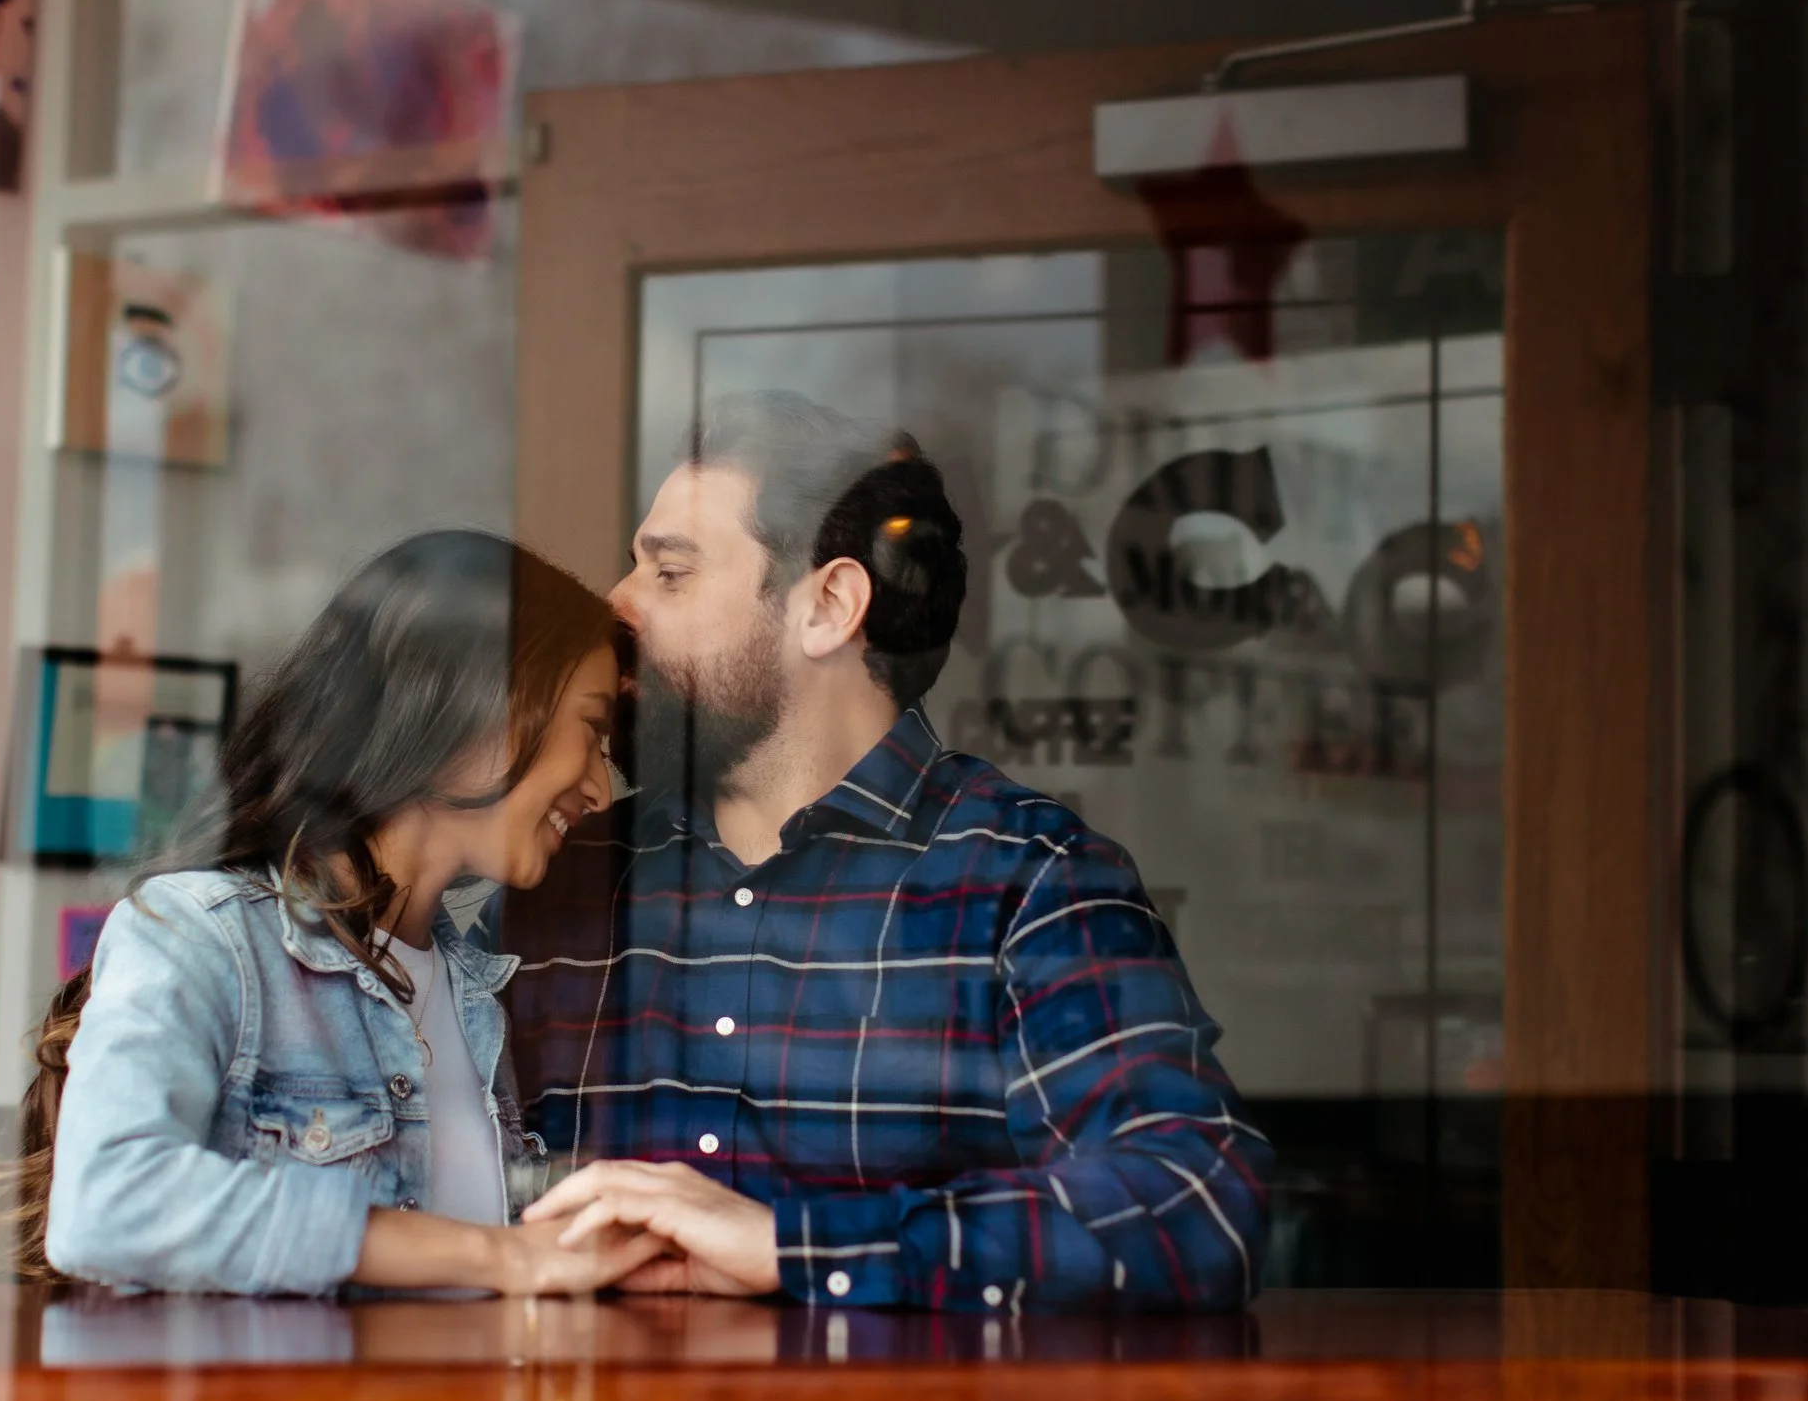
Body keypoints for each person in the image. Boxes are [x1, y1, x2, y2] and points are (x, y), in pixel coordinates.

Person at [503, 392, 1272, 1312]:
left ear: (828, 605)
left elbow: (1196, 1204)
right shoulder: (561, 880)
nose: (617, 604)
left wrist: (797, 1248)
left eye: (669, 573)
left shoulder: (1027, 882)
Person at [0, 529, 668, 1297]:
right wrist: (492, 1256)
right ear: (480, 708)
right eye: (592, 731)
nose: (601, 787)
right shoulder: (206, 934)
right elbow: (105, 1204)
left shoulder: (479, 992)